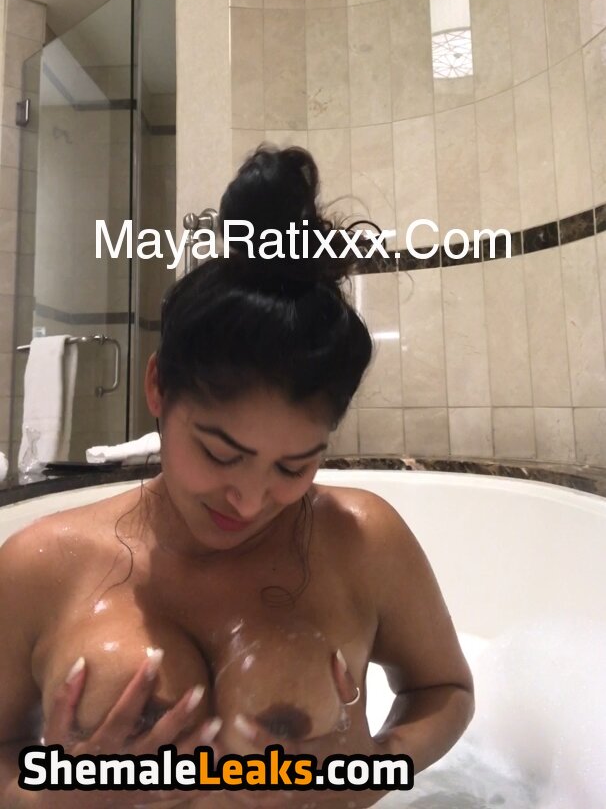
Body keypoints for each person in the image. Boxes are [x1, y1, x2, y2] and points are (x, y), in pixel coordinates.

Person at [0, 145, 474, 808]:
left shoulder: (364, 542)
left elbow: (446, 691)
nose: (250, 501)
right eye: (221, 453)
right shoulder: (40, 566)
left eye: (294, 466)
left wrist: (371, 771)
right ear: (158, 387)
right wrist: (47, 800)